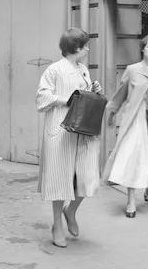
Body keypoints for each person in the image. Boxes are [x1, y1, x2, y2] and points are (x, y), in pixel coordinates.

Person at [36, 28, 102, 248]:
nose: (87, 49)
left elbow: (84, 94)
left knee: (87, 175)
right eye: (85, 45)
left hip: (82, 129)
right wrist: (66, 100)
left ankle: (70, 210)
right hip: (61, 128)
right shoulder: (54, 70)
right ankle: (57, 225)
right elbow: (42, 96)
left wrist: (92, 89)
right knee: (59, 179)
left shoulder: (83, 69)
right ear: (75, 47)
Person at [102, 33, 148, 218]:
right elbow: (121, 94)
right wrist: (112, 112)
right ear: (143, 49)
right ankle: (131, 200)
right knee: (132, 157)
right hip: (132, 120)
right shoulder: (132, 70)